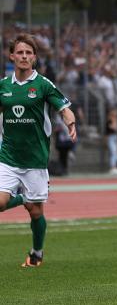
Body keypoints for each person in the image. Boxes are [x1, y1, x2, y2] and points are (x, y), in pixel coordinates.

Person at [0, 34, 76, 268]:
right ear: (11, 56)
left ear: (34, 58)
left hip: (35, 160)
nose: (24, 56)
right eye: (20, 52)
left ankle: (37, 253)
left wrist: (70, 123)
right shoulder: (3, 86)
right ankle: (21, 197)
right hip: (8, 156)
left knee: (35, 212)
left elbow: (64, 108)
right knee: (0, 203)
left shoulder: (43, 85)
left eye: (28, 53)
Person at [106, 108, 117, 174]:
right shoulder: (109, 121)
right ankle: (112, 167)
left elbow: (116, 129)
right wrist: (114, 121)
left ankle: (115, 166)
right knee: (113, 152)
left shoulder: (116, 120)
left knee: (116, 153)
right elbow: (113, 128)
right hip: (111, 137)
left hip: (115, 137)